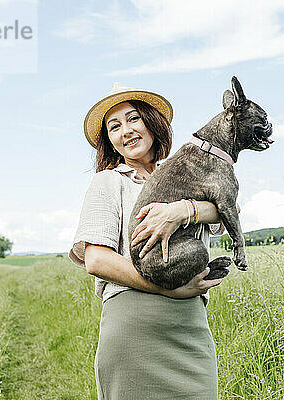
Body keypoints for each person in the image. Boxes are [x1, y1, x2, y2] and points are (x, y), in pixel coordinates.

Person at [68, 83, 228, 399]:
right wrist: (168, 287)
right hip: (132, 324)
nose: (125, 131)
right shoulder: (108, 183)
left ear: (153, 123)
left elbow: (228, 209)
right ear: (110, 142)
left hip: (189, 326)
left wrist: (183, 211)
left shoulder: (186, 172)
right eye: (114, 126)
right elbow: (96, 260)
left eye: (133, 119)